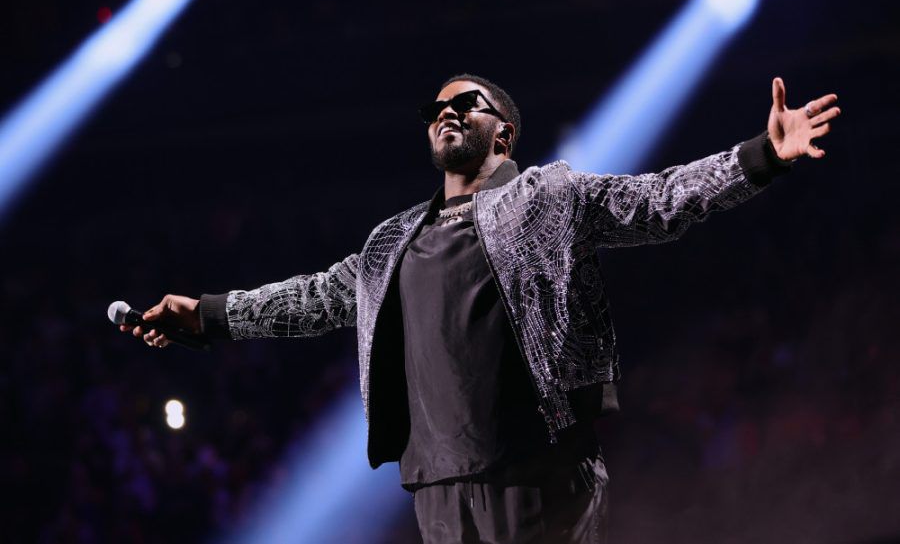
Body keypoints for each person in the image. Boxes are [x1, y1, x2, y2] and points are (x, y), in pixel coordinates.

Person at [120, 74, 840, 543]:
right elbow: (311, 298)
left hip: (537, 471)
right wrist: (209, 314)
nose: (447, 112)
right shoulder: (391, 242)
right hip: (438, 482)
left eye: (466, 102)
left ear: (504, 132)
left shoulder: (547, 197)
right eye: (437, 108)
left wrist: (760, 157)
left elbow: (656, 202)